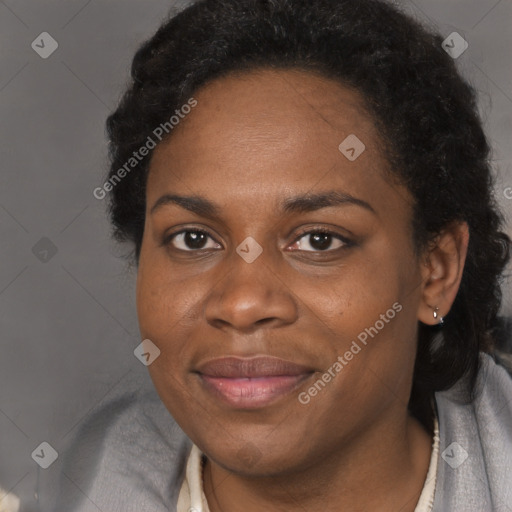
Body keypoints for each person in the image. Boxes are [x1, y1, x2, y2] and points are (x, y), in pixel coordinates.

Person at [56, 0, 512, 510]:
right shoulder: (74, 477)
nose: (243, 303)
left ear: (437, 270)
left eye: (319, 240)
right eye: (194, 238)